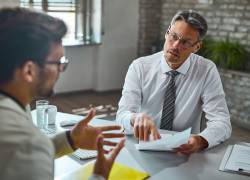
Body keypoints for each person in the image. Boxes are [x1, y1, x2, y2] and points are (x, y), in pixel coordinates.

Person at [0, 7, 125, 180]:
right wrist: (99, 175)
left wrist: (70, 140)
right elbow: (26, 150)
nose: (61, 70)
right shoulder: (26, 142)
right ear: (29, 71)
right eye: (58, 62)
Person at [116, 10, 232, 155]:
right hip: (143, 147)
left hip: (185, 152)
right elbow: (122, 116)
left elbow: (221, 122)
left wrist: (201, 140)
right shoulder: (139, 67)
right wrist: (134, 118)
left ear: (196, 47)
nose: (176, 45)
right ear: (167, 33)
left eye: (185, 42)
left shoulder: (206, 70)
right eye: (174, 37)